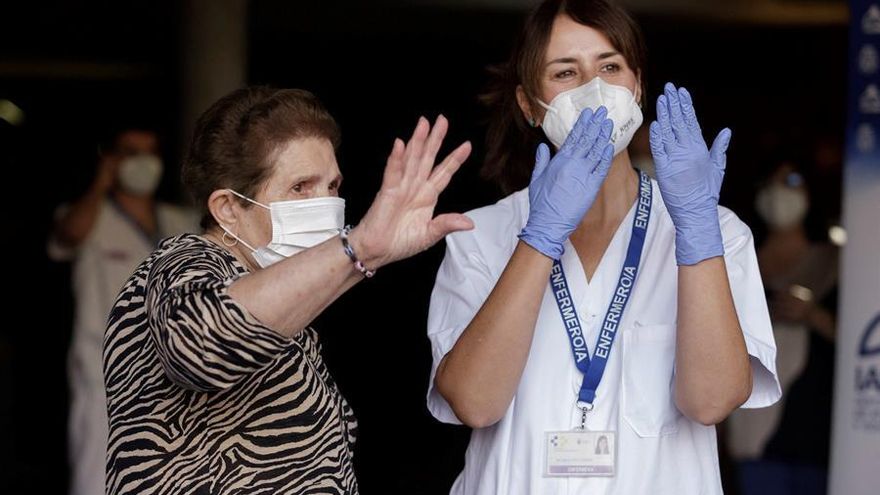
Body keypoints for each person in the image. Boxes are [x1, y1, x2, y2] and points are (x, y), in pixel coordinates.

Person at [426, 1, 780, 493]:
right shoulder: (480, 234)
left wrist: (697, 234)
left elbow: (711, 401)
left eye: (610, 67)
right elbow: (475, 402)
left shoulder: (717, 231)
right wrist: (540, 236)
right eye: (565, 72)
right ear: (529, 105)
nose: (593, 88)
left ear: (637, 86)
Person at [103, 87, 473, 494]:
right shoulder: (182, 260)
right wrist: (360, 248)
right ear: (228, 208)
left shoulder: (280, 305)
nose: (326, 203)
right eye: (301, 187)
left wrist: (370, 255)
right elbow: (202, 346)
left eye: (332, 186)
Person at [47, 124, 197, 495]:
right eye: (131, 152)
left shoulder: (181, 222)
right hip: (106, 376)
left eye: (151, 152)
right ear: (112, 159)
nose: (143, 161)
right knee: (99, 478)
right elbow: (68, 236)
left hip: (173, 374)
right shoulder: (89, 216)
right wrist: (101, 182)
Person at [726, 160, 838, 495]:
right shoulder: (737, 254)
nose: (780, 193)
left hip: (815, 423)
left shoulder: (837, 261)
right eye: (770, 183)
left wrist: (812, 315)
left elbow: (859, 339)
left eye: (791, 180)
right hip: (753, 425)